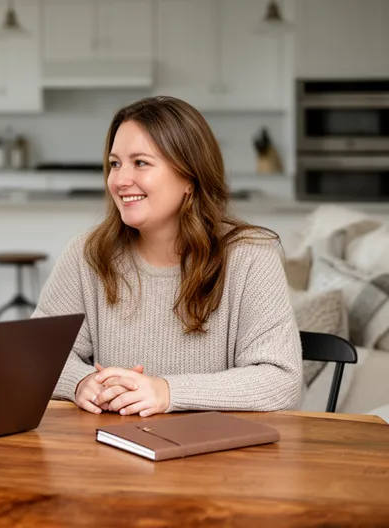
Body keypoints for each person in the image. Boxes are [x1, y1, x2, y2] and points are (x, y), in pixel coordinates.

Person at [34, 96, 302, 417]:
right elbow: (35, 355)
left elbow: (280, 379)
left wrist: (167, 392)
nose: (119, 181)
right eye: (115, 164)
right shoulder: (88, 254)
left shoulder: (251, 257)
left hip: (213, 446)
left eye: (140, 163)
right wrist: (81, 381)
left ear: (189, 177)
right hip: (109, 443)